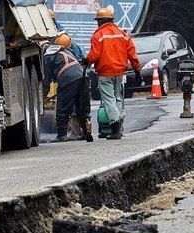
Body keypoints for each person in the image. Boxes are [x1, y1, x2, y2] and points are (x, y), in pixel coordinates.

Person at [85, 7, 141, 140]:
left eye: (98, 20)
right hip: (119, 72)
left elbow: (94, 55)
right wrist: (137, 71)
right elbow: (132, 55)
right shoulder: (122, 34)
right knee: (117, 98)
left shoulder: (98, 35)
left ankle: (115, 128)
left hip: (105, 73)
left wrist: (86, 60)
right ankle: (119, 124)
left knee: (109, 100)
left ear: (102, 21)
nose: (97, 23)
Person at [43, 34, 90, 142]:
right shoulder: (68, 51)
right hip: (83, 76)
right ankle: (85, 132)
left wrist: (43, 95)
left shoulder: (48, 56)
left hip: (68, 78)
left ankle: (61, 135)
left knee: (62, 108)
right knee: (81, 106)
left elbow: (47, 79)